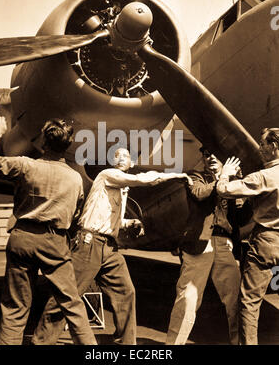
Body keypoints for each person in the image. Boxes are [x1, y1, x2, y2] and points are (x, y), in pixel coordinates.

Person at [32, 147, 193, 345]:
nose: (120, 158)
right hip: (88, 243)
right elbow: (142, 179)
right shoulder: (107, 175)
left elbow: (111, 220)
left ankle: (126, 344)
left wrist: (130, 223)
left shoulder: (121, 188)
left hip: (109, 247)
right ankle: (40, 342)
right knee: (68, 295)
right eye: (117, 155)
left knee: (126, 292)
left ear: (131, 163)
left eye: (125, 156)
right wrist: (177, 175)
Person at [0, 116, 97, 345]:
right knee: (72, 305)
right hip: (55, 241)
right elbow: (75, 215)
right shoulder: (76, 179)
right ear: (68, 144)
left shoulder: (26, 165)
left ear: (44, 140)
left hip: (21, 237)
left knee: (15, 306)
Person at [166, 147, 247, 345]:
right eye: (205, 153)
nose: (210, 157)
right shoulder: (195, 176)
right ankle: (172, 346)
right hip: (200, 243)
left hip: (225, 243)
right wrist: (223, 179)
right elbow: (199, 194)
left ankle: (239, 342)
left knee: (235, 300)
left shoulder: (234, 182)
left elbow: (243, 217)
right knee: (188, 299)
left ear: (226, 160)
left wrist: (244, 189)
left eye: (215, 153)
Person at [216, 128, 279, 345]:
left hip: (267, 242)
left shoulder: (264, 177)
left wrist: (225, 173)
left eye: (263, 144)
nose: (259, 148)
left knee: (249, 302)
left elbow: (223, 189)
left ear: (274, 147)